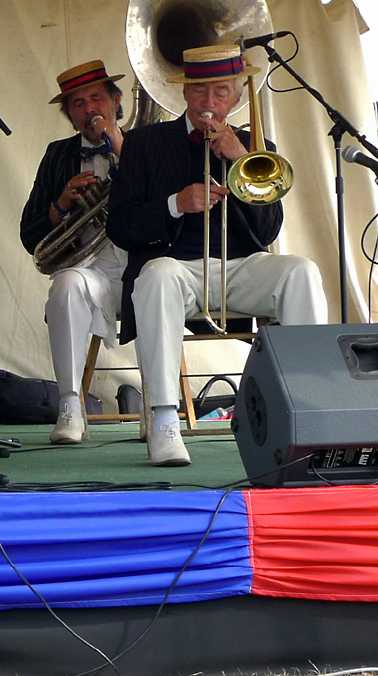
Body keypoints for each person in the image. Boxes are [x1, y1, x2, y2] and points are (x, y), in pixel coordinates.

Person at [106, 44, 326, 466]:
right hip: (176, 268)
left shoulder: (256, 145)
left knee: (301, 271)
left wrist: (239, 157)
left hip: (241, 266)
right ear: (185, 94)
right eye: (201, 92)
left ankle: (308, 411)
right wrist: (175, 203)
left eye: (221, 92)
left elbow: (267, 232)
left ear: (237, 96)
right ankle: (166, 419)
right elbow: (121, 225)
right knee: (157, 276)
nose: (210, 103)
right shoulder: (144, 143)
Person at [20, 60, 128, 445]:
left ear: (116, 101)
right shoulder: (58, 155)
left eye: (97, 98)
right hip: (90, 266)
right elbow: (30, 233)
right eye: (78, 104)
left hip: (141, 263)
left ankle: (158, 410)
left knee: (162, 279)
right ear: (69, 114)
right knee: (64, 286)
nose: (89, 110)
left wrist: (118, 145)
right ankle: (69, 404)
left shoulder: (148, 144)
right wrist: (62, 204)